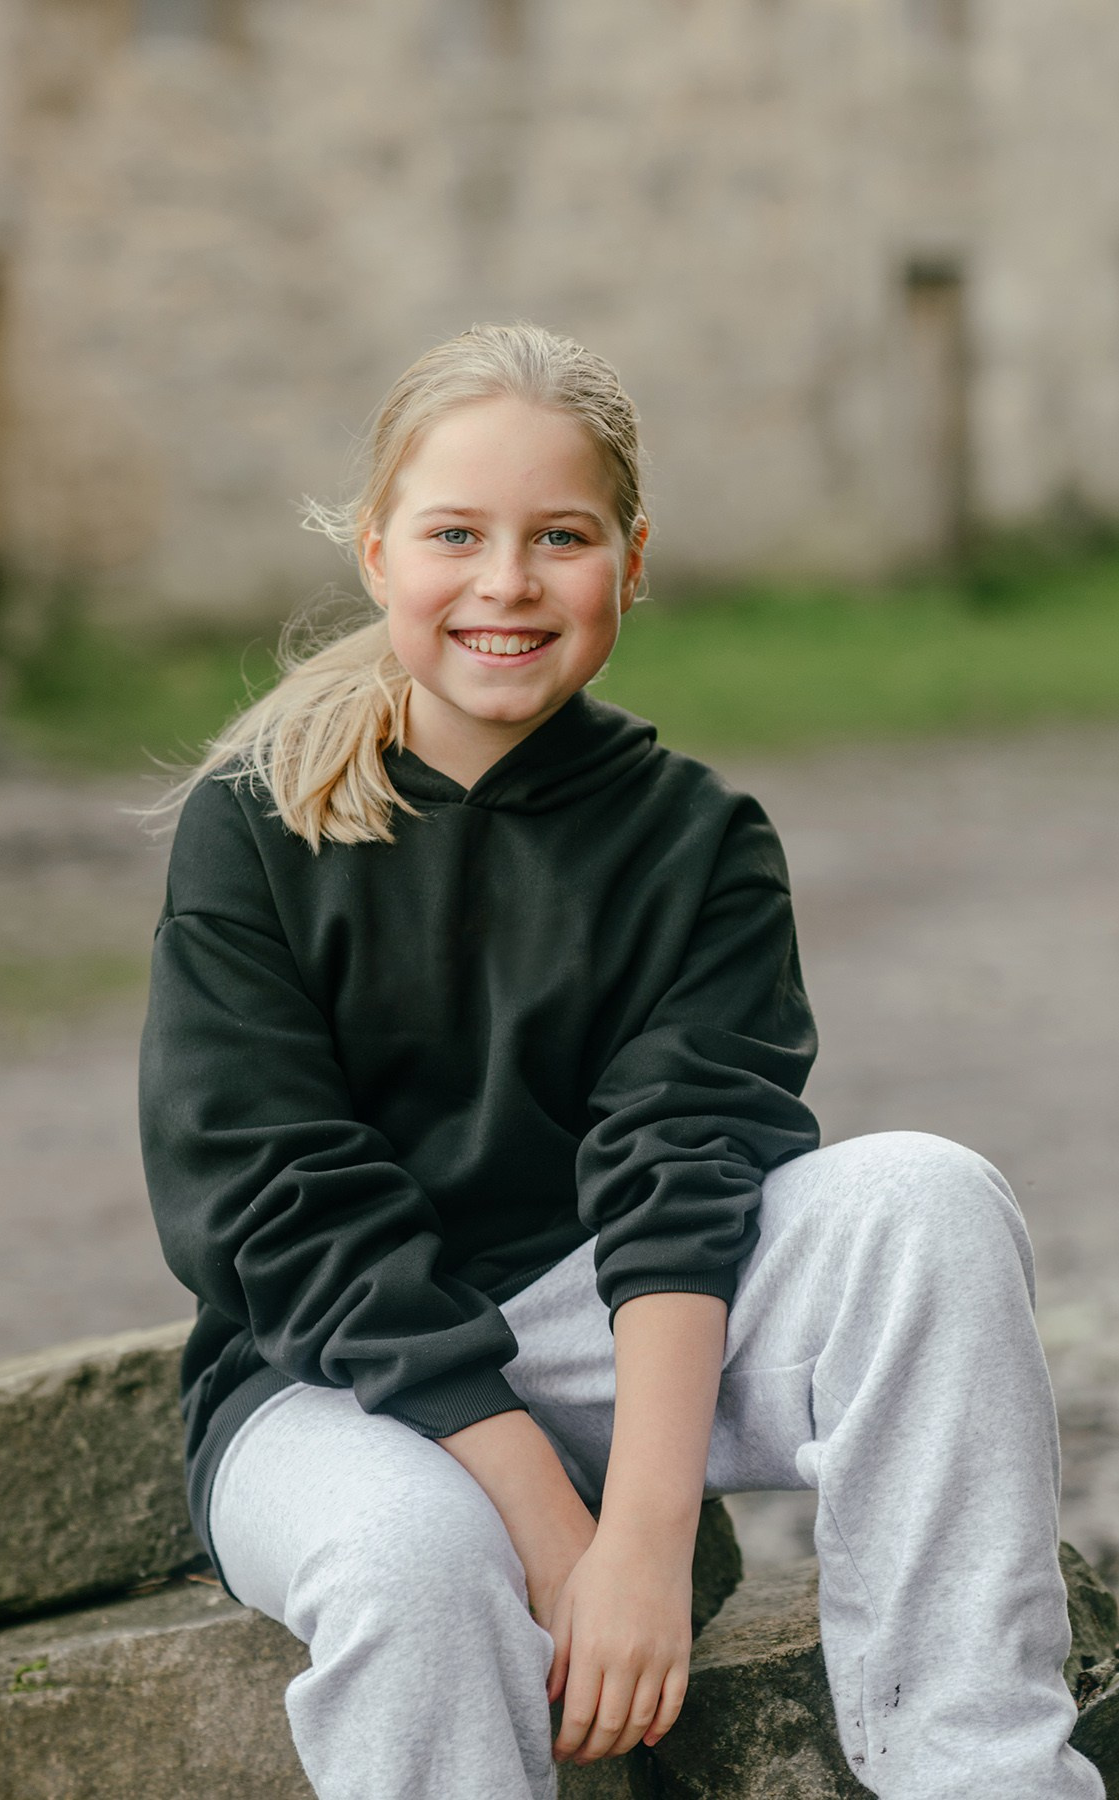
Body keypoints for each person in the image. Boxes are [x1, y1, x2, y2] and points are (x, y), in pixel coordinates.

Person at [138, 321, 1101, 1800]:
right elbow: (282, 1208)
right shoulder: (253, 828)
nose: (507, 582)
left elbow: (681, 1168)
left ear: (630, 562)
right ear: (377, 552)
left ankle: (982, 1771)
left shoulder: (698, 841)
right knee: (414, 1564)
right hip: (330, 1384)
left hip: (615, 1337)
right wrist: (556, 1537)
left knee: (928, 1197)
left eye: (561, 536)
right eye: (455, 533)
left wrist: (644, 1542)